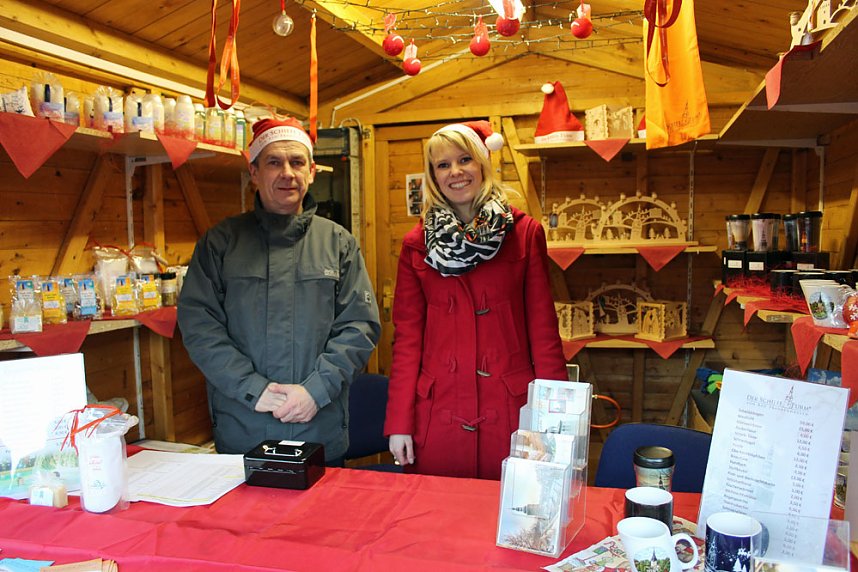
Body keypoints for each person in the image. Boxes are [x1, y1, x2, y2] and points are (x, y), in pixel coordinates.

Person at [177, 117, 381, 465]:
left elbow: (359, 327)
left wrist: (316, 391)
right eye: (274, 162)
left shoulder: (338, 244)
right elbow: (200, 327)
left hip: (319, 427)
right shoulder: (221, 244)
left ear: (312, 171)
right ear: (254, 172)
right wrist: (253, 388)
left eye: (297, 162)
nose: (287, 172)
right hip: (245, 429)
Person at [384, 121, 568, 480]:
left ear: (483, 163)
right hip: (437, 412)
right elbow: (407, 341)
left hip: (512, 410)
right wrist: (399, 423)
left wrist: (555, 423)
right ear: (433, 175)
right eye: (443, 165)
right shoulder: (416, 243)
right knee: (436, 518)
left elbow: (544, 333)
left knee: (515, 520)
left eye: (465, 159)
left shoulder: (525, 233)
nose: (455, 172)